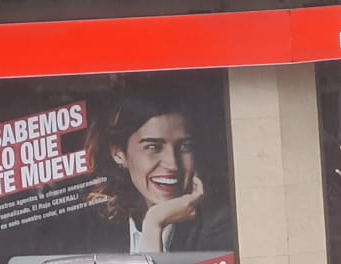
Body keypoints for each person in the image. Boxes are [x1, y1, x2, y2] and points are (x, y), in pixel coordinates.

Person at [87, 89, 235, 254]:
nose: (172, 164)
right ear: (119, 154)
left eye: (185, 147)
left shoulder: (220, 224)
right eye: (153, 147)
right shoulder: (93, 229)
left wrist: (154, 223)